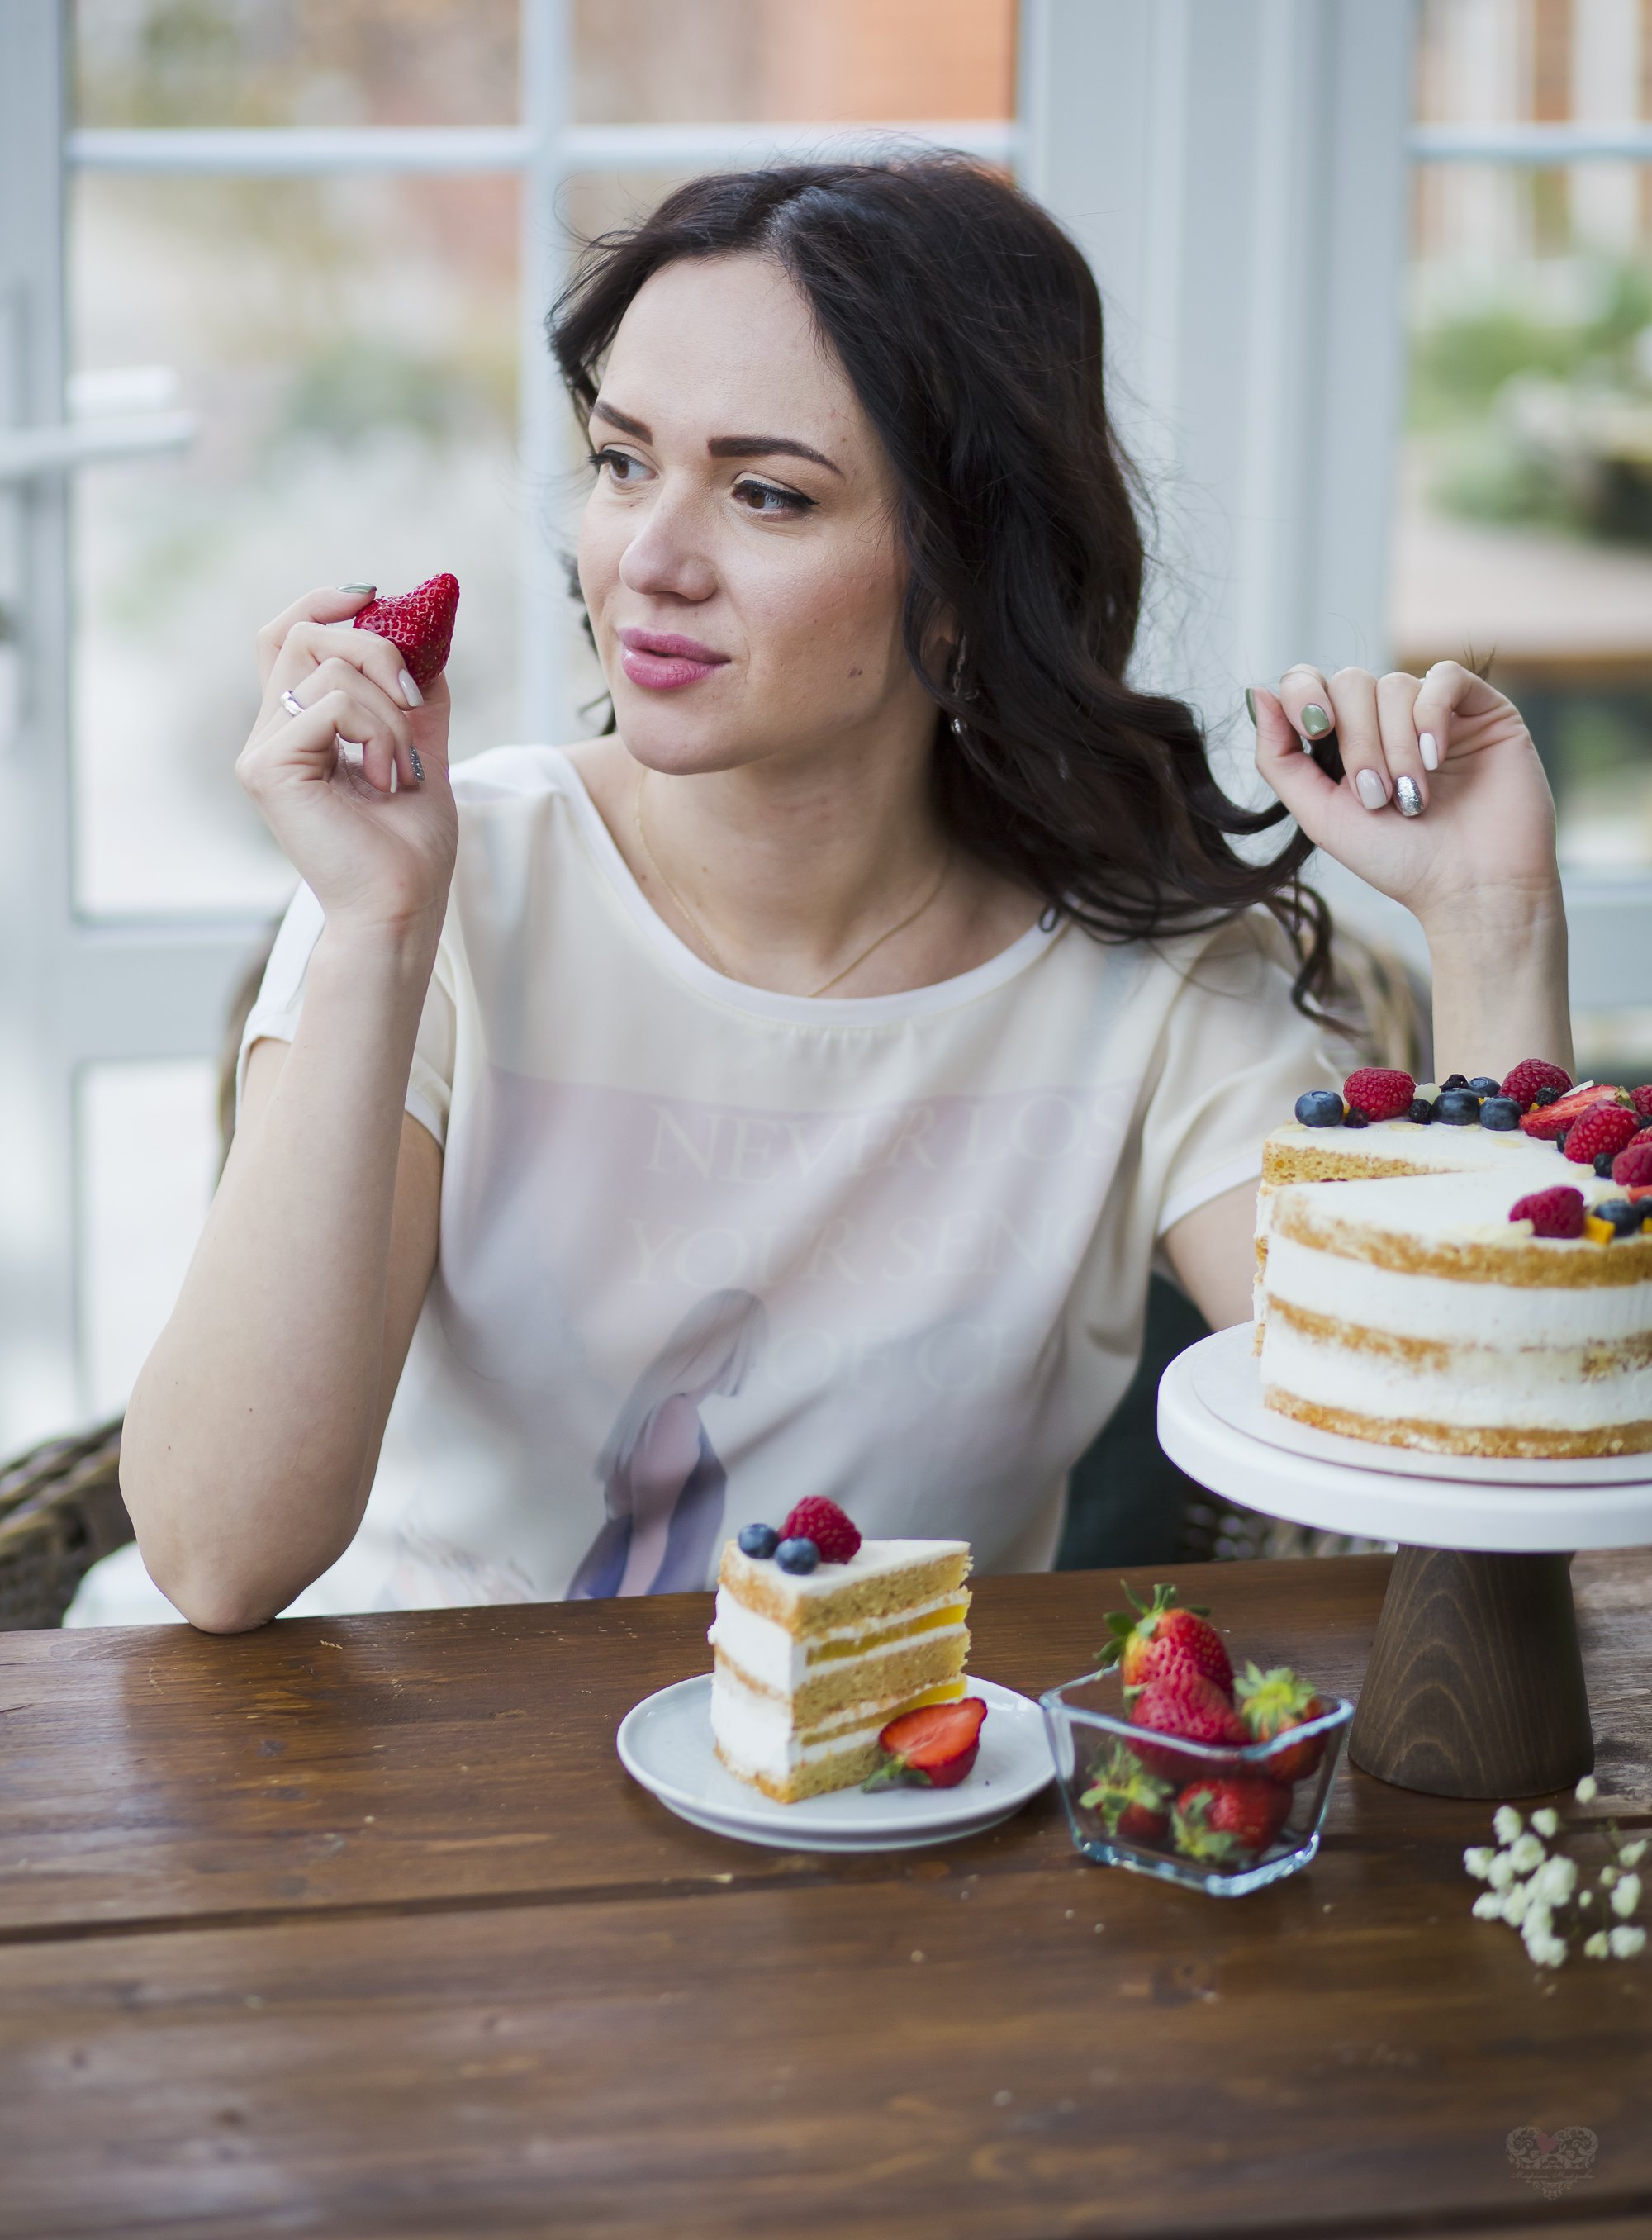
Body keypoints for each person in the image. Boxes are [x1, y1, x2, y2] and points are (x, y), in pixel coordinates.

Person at [121, 159, 1570, 1633]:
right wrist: (375, 930)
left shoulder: (1155, 980)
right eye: (624, 463)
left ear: (960, 575)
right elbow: (219, 1555)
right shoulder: (438, 882)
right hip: (410, 1787)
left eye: (765, 493)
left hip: (891, 1815)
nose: (652, 562)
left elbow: (1448, 1435)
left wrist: (1493, 925)